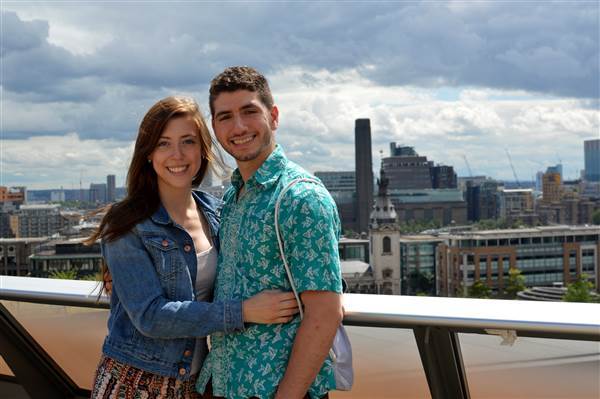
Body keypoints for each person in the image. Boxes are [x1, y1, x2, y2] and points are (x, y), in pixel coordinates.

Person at [87, 96, 299, 399]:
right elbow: (150, 316)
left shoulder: (219, 212)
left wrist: (317, 293)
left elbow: (259, 264)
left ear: (203, 149)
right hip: (133, 384)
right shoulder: (126, 223)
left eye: (188, 141)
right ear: (147, 153)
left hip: (197, 384)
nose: (177, 155)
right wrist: (243, 312)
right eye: (163, 143)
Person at [196, 67, 344, 399]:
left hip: (273, 390)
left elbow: (324, 314)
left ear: (273, 116)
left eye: (250, 112)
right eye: (225, 117)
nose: (238, 127)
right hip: (221, 383)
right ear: (215, 128)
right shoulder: (234, 195)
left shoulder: (301, 198)